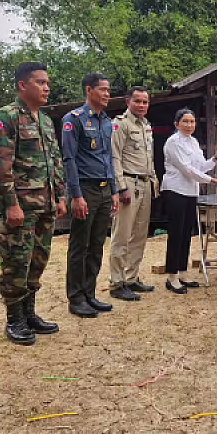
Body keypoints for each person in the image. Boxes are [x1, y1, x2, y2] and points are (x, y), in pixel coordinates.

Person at [0, 62, 67, 344]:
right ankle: (15, 319)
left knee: (38, 260)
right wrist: (10, 204)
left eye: (47, 82)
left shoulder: (45, 121)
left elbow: (55, 162)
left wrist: (59, 196)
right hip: (19, 207)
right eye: (40, 82)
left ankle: (30, 312)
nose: (47, 87)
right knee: (15, 262)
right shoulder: (5, 118)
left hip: (44, 205)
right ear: (23, 85)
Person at [62, 73, 120, 317]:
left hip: (105, 189)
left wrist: (115, 190)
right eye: (102, 89)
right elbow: (69, 159)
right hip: (85, 189)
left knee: (97, 245)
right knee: (80, 245)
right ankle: (76, 298)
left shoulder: (106, 121)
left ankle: (89, 293)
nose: (107, 94)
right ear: (89, 90)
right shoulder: (73, 119)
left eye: (108, 90)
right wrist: (76, 196)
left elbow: (108, 158)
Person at [161, 108, 217, 293]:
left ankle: (182, 272)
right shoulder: (173, 142)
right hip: (175, 190)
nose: (189, 125)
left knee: (186, 233)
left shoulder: (194, 142)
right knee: (176, 234)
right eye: (185, 121)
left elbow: (200, 167)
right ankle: (171, 276)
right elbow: (187, 169)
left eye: (192, 122)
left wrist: (215, 159)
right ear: (176, 124)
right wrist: (213, 181)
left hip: (190, 192)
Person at [108, 86, 157, 301]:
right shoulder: (120, 124)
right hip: (128, 181)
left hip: (145, 183)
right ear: (128, 101)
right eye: (137, 101)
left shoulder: (146, 125)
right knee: (122, 235)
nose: (142, 105)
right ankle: (117, 282)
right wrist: (121, 187)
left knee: (139, 234)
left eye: (145, 102)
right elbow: (115, 157)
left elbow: (149, 157)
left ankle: (131, 277)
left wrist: (154, 180)